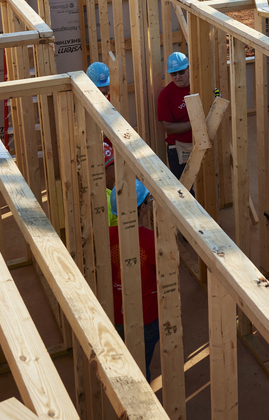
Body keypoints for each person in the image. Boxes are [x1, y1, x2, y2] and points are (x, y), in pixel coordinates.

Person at [107, 174, 159, 381]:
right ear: (142, 208)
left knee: (122, 365)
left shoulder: (107, 238)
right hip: (146, 317)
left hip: (116, 316)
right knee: (140, 367)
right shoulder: (150, 240)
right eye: (147, 201)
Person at [157, 52, 193, 178]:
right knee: (184, 190)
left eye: (181, 72)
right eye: (173, 74)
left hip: (201, 143)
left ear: (189, 69)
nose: (177, 77)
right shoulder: (166, 95)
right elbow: (168, 127)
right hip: (178, 149)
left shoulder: (198, 86)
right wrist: (195, 123)